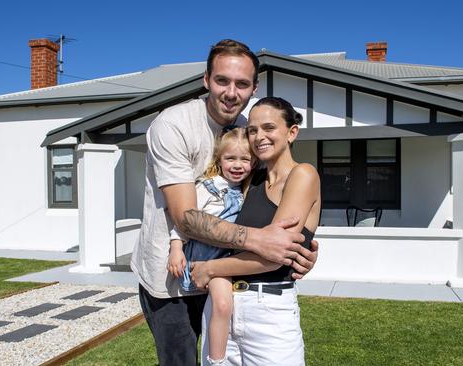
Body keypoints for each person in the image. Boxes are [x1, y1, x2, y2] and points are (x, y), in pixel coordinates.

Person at [131, 39, 319, 366]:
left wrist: (302, 246)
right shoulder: (174, 125)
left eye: (242, 84)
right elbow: (186, 217)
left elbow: (273, 199)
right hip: (171, 278)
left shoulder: (249, 131)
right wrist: (259, 240)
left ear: (253, 88)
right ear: (206, 80)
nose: (231, 92)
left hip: (227, 279)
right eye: (222, 81)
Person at [192, 96, 321, 366]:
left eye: (269, 128)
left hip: (269, 313)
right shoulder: (250, 179)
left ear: (291, 132)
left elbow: (274, 255)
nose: (259, 136)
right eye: (253, 130)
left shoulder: (303, 175)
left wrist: (208, 268)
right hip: (222, 304)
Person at [167, 127, 254, 365]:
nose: (238, 165)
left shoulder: (248, 190)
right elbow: (185, 220)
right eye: (230, 158)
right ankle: (217, 361)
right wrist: (176, 248)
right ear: (219, 159)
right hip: (204, 260)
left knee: (226, 307)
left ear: (254, 162)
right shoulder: (208, 187)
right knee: (224, 305)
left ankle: (223, 354)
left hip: (225, 262)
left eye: (245, 159)